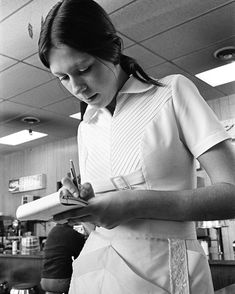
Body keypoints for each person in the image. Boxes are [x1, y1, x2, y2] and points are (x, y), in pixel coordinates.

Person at [38, 0, 235, 293]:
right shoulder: (86, 126)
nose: (76, 88)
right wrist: (81, 207)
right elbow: (100, 226)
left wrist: (133, 203)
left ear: (113, 49)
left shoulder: (171, 92)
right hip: (96, 273)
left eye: (84, 69)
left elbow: (231, 194)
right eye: (63, 78)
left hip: (165, 272)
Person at [40, 223, 86, 294]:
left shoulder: (53, 231)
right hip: (60, 282)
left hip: (44, 281)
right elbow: (81, 253)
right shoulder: (72, 233)